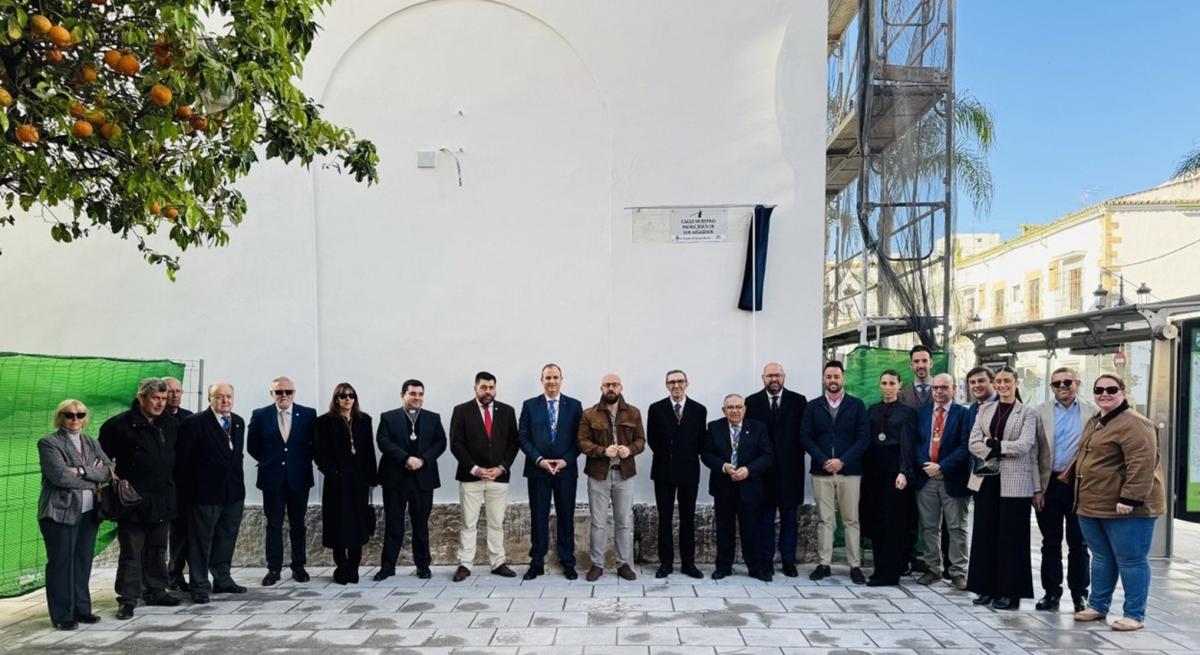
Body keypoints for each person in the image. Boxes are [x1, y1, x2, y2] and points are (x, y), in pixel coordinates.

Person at [1072, 373, 1165, 632]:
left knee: (1131, 560)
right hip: (1092, 504)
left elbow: (1142, 463)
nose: (1104, 393)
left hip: (1125, 508)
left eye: (1111, 389)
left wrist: (1130, 498)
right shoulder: (1097, 420)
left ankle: (1134, 614)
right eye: (1099, 389)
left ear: (1122, 392)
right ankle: (1098, 605)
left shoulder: (1135, 424)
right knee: (1101, 557)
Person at [99, 378, 180, 619]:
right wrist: (115, 482)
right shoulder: (119, 425)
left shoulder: (169, 423)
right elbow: (102, 460)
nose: (160, 403)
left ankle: (156, 590)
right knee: (131, 551)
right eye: (155, 398)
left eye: (164, 399)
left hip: (162, 497)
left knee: (158, 548)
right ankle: (128, 597)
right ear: (141, 397)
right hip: (132, 500)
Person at [966, 366, 1038, 610]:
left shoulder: (1028, 413)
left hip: (1015, 483)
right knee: (985, 535)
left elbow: (1024, 445)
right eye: (998, 381)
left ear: (1016, 383)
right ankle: (985, 587)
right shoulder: (984, 409)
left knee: (1012, 538)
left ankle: (1010, 592)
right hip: (987, 479)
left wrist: (994, 445)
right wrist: (996, 448)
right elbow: (973, 442)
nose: (1002, 385)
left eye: (1007, 380)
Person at [38, 399, 113, 630]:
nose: (75, 419)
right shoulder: (49, 443)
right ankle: (62, 614)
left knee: (82, 562)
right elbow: (59, 477)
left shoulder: (91, 441)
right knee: (61, 563)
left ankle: (82, 608)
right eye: (69, 415)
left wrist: (80, 471)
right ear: (60, 417)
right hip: (59, 512)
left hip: (89, 512)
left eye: (80, 415)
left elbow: (109, 471)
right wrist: (93, 475)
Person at [1033, 367, 1098, 613]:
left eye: (1067, 382)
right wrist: (1036, 489)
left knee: (1079, 543)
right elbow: (1033, 452)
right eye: (1056, 383)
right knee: (1050, 543)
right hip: (1049, 484)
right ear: (1051, 387)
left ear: (1077, 383)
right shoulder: (1040, 412)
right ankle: (1051, 593)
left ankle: (1080, 595)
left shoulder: (1092, 412)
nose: (1062, 386)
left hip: (1079, 486)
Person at [800, 360, 869, 583]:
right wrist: (823, 460)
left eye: (836, 376)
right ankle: (824, 563)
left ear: (843, 379)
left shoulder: (857, 405)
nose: (832, 380)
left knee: (851, 520)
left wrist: (842, 461)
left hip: (849, 472)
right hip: (822, 471)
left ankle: (854, 565)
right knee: (824, 520)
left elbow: (863, 438)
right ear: (823, 379)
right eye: (829, 376)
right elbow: (805, 437)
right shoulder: (813, 406)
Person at [178, 382, 247, 604]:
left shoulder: (237, 422)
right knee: (201, 541)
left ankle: (223, 578)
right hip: (205, 494)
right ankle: (198, 585)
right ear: (210, 399)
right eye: (219, 396)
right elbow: (184, 461)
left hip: (233, 493)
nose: (225, 400)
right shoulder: (195, 423)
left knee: (226, 537)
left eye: (229, 396)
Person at [449, 371, 519, 582]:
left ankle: (498, 562)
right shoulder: (461, 411)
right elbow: (456, 443)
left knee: (496, 522)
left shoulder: (507, 411)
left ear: (495, 389)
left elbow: (513, 443)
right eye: (483, 388)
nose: (488, 392)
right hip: (471, 477)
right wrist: (475, 468)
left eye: (491, 388)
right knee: (468, 523)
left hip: (498, 477)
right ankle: (465, 564)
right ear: (476, 389)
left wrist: (502, 467)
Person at [247, 376, 317, 586]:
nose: (284, 396)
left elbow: (314, 444)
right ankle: (274, 569)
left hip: (299, 478)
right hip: (272, 478)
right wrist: (272, 462)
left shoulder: (307, 414)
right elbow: (253, 446)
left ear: (294, 393)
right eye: (279, 392)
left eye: (288, 392)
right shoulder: (260, 415)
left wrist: (298, 462)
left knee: (298, 524)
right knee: (274, 525)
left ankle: (299, 566)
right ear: (272, 394)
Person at [518, 364, 584, 581]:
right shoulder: (530, 405)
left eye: (555, 377)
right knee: (538, 516)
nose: (552, 381)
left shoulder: (574, 406)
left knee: (566, 516)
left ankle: (568, 561)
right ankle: (536, 562)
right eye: (548, 378)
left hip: (565, 471)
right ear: (542, 380)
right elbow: (523, 437)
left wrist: (565, 461)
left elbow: (580, 439)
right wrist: (539, 460)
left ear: (562, 379)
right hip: (539, 470)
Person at [376, 378, 446, 580]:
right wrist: (405, 458)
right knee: (393, 524)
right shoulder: (389, 417)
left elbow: (440, 443)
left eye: (420, 394)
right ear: (403, 395)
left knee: (421, 524)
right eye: (412, 394)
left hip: (423, 479)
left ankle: (423, 566)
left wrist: (422, 460)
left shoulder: (433, 418)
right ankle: (387, 567)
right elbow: (383, 441)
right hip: (396, 479)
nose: (417, 398)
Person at [578, 373, 645, 582]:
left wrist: (630, 450)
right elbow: (582, 442)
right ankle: (597, 565)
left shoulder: (633, 413)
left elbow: (642, 440)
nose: (611, 388)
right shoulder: (589, 414)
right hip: (599, 475)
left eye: (614, 385)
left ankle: (623, 564)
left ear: (621, 388)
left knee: (623, 521)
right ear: (601, 389)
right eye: (607, 385)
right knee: (598, 522)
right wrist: (602, 451)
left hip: (624, 475)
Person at [744, 362, 807, 578]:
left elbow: (804, 434)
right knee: (765, 520)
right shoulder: (751, 402)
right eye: (770, 375)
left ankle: (788, 561)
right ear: (763, 377)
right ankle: (766, 561)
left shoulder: (798, 401)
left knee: (790, 519)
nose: (774, 379)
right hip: (763, 472)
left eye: (778, 375)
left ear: (784, 377)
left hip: (791, 471)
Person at [701, 394, 772, 581]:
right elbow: (706, 454)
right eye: (730, 407)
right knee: (724, 529)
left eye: (738, 407)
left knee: (751, 529)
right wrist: (723, 466)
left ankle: (755, 567)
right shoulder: (714, 427)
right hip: (723, 486)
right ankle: (723, 567)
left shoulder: (758, 428)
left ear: (745, 409)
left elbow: (767, 455)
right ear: (724, 410)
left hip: (749, 487)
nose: (734, 410)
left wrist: (748, 470)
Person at [911, 373, 972, 590]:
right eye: (936, 388)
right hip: (926, 478)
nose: (939, 391)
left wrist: (943, 467)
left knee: (957, 527)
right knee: (929, 526)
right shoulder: (922, 413)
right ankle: (933, 568)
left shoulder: (963, 414)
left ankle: (958, 571)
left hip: (952, 478)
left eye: (944, 387)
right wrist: (926, 466)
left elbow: (966, 446)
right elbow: (916, 443)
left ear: (953, 388)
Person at [313, 383, 378, 584]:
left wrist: (372, 478)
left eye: (351, 395)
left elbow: (369, 450)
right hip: (336, 484)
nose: (347, 399)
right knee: (338, 525)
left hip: (358, 482)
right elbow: (318, 453)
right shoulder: (324, 422)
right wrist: (333, 473)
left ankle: (354, 569)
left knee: (358, 526)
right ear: (336, 399)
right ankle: (342, 567)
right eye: (342, 396)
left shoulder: (364, 420)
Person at [646, 369, 706, 579]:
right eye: (671, 382)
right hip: (664, 470)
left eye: (680, 381)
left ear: (687, 383)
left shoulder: (699, 410)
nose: (676, 385)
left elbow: (700, 441)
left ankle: (689, 563)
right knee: (665, 518)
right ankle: (666, 563)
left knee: (688, 518)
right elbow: (652, 439)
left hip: (689, 470)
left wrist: (685, 457)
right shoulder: (656, 408)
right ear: (666, 385)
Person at [863, 371, 915, 586]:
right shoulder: (872, 410)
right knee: (877, 522)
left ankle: (891, 572)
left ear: (899, 386)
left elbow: (907, 443)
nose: (887, 387)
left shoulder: (907, 413)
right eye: (884, 383)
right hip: (874, 470)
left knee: (893, 523)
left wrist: (904, 471)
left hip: (895, 472)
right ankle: (878, 568)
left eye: (892, 383)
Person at [163, 376, 193, 592]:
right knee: (173, 534)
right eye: (170, 391)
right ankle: (172, 574)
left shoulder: (189, 418)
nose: (174, 395)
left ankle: (183, 574)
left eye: (178, 391)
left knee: (186, 532)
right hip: (164, 485)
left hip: (188, 485)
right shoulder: (156, 419)